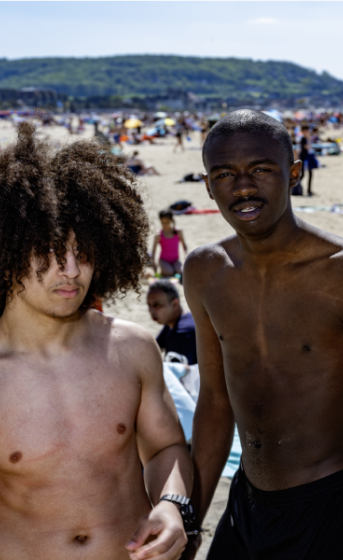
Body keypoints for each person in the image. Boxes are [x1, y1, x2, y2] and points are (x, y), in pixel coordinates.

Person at [183, 110, 343, 559]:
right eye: (225, 174)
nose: (243, 187)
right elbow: (213, 404)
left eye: (261, 170)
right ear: (209, 186)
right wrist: (191, 523)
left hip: (334, 501)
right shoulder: (205, 271)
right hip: (246, 500)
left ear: (293, 174)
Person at [0, 123, 194, 559]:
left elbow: (167, 447)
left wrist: (172, 505)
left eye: (83, 251)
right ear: (7, 251)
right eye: (48, 251)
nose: (70, 270)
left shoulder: (132, 348)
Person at [148, 280, 197, 365]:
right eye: (149, 305)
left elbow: (176, 374)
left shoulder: (182, 332)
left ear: (175, 304)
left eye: (157, 305)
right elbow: (155, 347)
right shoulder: (174, 321)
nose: (151, 311)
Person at [151, 209, 188, 278]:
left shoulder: (178, 231)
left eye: (167, 222)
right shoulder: (158, 235)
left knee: (181, 271)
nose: (165, 225)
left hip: (175, 260)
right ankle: (165, 271)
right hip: (163, 261)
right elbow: (153, 250)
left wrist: (185, 255)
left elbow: (184, 245)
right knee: (169, 272)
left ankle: (173, 272)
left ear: (171, 220)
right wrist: (153, 262)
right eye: (162, 223)